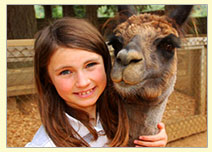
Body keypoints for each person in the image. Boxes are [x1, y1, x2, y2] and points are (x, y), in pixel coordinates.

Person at [25, 17, 167, 147]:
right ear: (48, 78)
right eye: (66, 72)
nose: (83, 82)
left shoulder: (121, 110)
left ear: (105, 63)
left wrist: (154, 138)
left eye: (90, 65)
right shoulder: (46, 145)